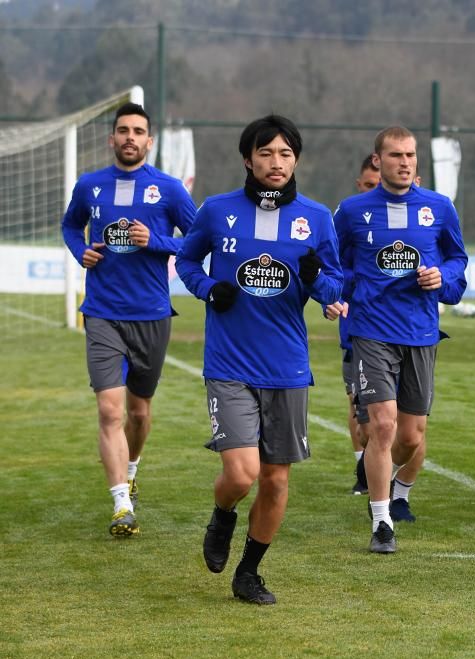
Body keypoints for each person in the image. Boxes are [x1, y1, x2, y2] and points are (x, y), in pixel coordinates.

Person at [176, 114, 342, 603]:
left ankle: (249, 572)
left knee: (274, 480)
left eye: (286, 154)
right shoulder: (216, 210)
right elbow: (186, 261)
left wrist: (318, 280)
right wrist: (208, 288)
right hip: (229, 363)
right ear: (248, 158)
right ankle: (222, 515)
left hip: (287, 366)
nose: (276, 163)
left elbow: (334, 286)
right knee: (242, 473)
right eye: (266, 153)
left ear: (296, 161)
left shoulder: (316, 218)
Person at [329, 126, 467, 554]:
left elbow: (457, 259)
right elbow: (337, 265)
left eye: (410, 155)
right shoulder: (352, 212)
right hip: (371, 331)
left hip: (421, 333)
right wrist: (336, 296)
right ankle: (382, 521)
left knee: (411, 437)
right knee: (383, 425)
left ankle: (382, 479)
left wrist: (441, 276)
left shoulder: (439, 208)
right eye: (395, 156)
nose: (405, 162)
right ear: (378, 161)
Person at [61, 102, 196, 537]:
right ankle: (121, 503)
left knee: (139, 412)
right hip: (102, 313)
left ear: (149, 141)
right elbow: (69, 226)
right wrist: (78, 250)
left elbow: (196, 241)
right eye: (123, 130)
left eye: (138, 131)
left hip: (152, 315)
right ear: (111, 138)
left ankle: (132, 467)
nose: (130, 138)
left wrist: (155, 240)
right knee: (109, 409)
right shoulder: (90, 185)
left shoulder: (170, 189)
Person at [341, 154, 381, 495]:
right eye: (369, 185)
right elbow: (334, 267)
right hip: (357, 328)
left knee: (391, 420)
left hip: (399, 330)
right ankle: (362, 463)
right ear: (359, 185)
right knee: (360, 406)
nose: (375, 190)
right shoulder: (350, 215)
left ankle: (370, 467)